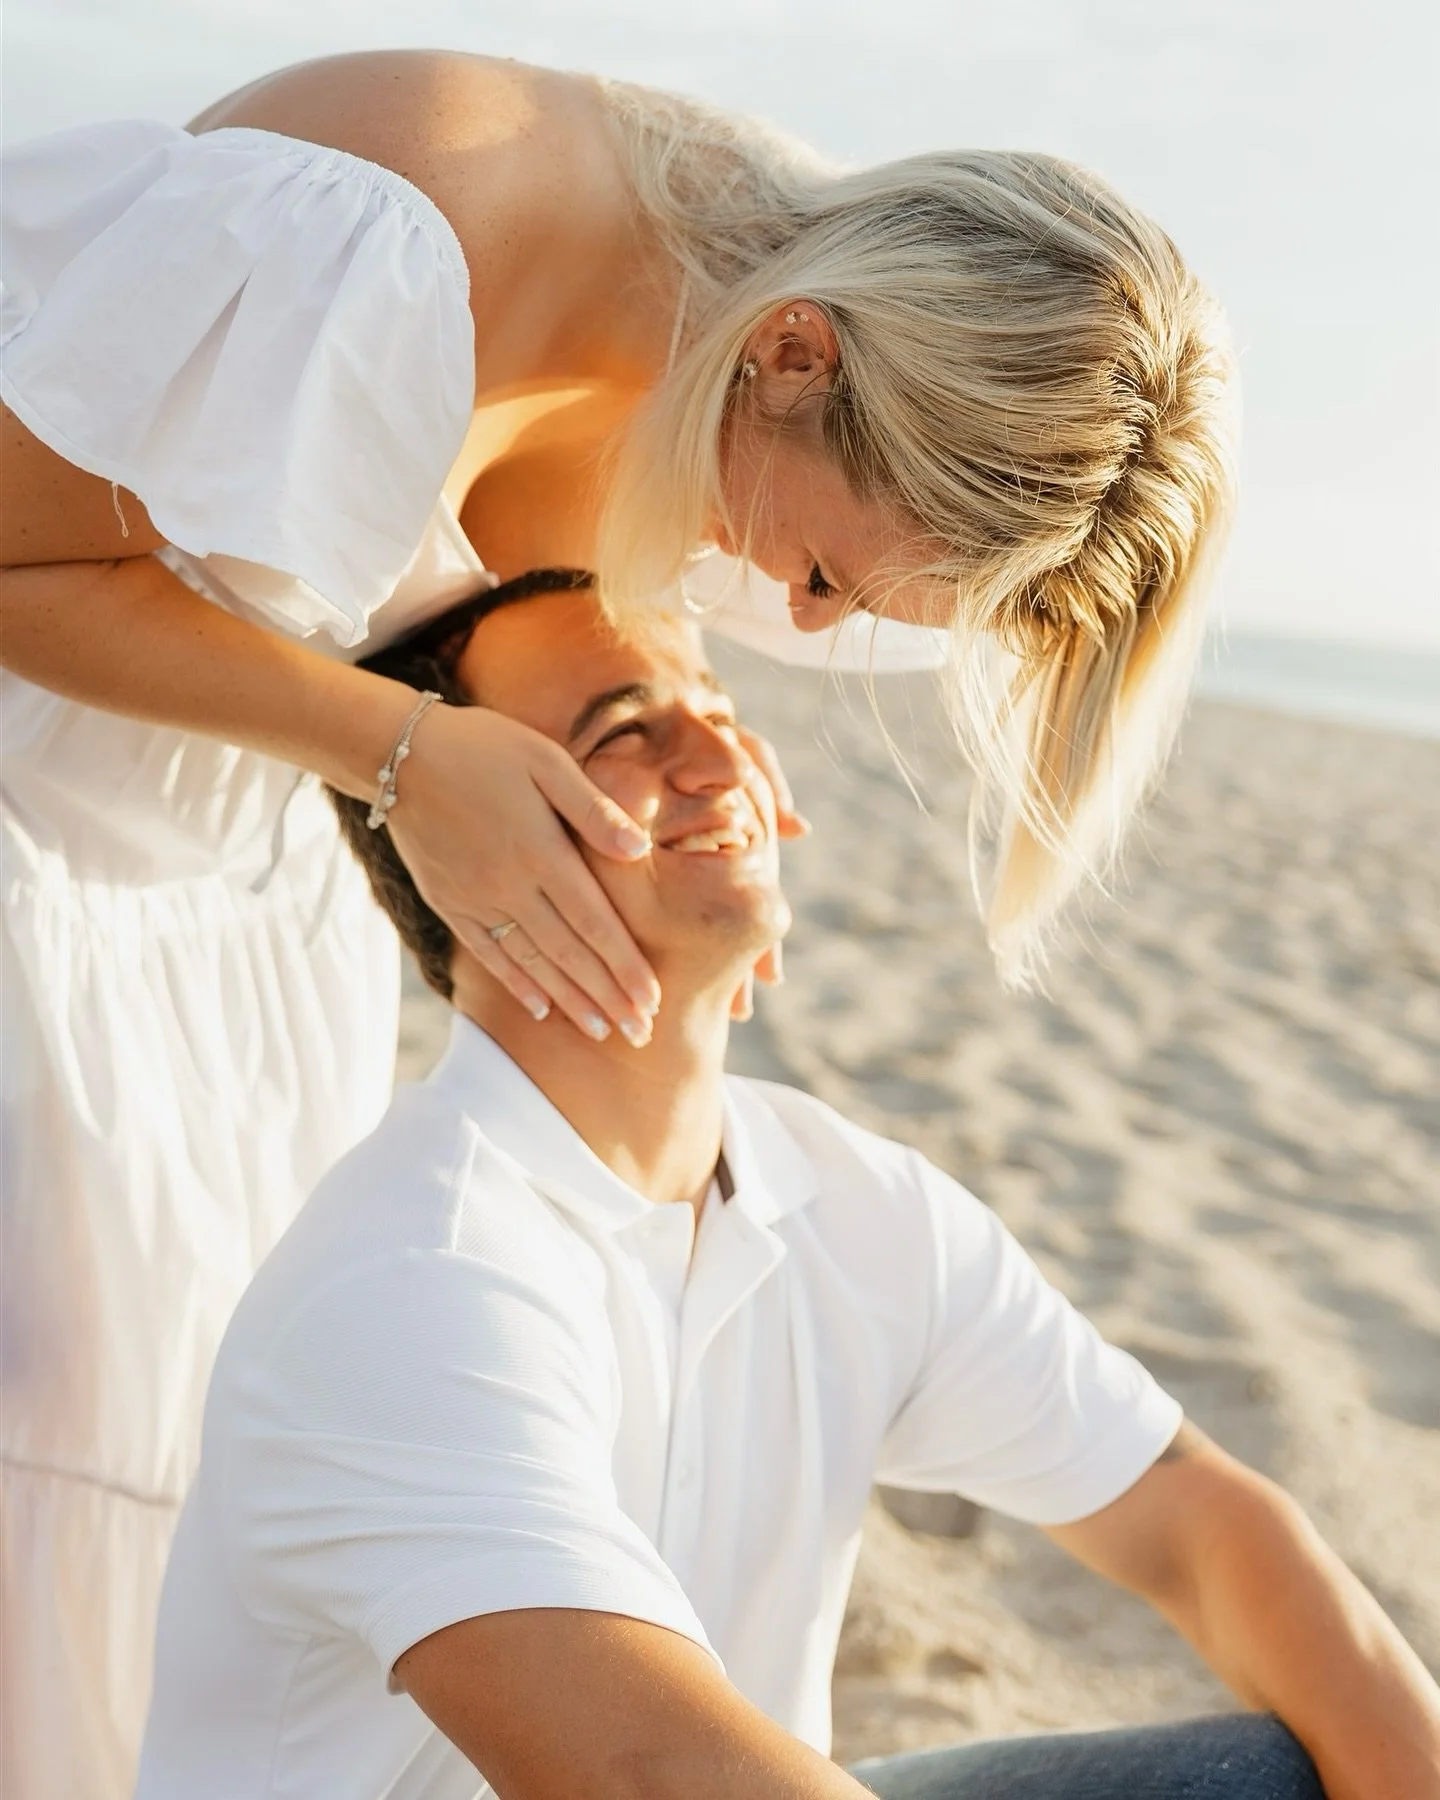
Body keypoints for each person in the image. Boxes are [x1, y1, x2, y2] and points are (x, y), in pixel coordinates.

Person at [0, 50, 1234, 1795]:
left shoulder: (771, 328)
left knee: (182, 1455)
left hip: (257, 917)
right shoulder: (392, 223)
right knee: (54, 1427)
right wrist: (401, 752)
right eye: (824, 576)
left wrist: (670, 760)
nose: (795, 613)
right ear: (794, 354)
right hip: (37, 855)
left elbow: (532, 618)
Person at [135, 571, 1440, 1800]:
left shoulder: (849, 1203)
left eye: (720, 707)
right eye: (623, 733)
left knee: (1293, 1768)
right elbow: (645, 1773)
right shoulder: (413, 1276)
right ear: (464, 845)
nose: (721, 761)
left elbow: (1202, 1528)